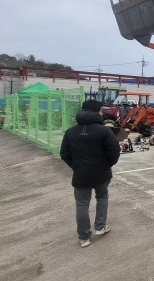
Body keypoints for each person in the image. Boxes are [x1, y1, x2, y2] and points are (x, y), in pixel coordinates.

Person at [60, 100, 121, 248]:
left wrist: (76, 166)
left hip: (81, 175)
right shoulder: (105, 130)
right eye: (101, 111)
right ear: (97, 111)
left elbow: (64, 153)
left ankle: (84, 238)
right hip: (102, 173)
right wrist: (108, 164)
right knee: (102, 196)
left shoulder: (70, 132)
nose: (102, 113)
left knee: (81, 204)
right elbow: (114, 151)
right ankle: (100, 227)